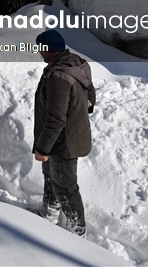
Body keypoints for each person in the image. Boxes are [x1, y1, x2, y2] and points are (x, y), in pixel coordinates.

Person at [32, 29, 95, 237]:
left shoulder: (59, 75)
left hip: (62, 141)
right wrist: (82, 106)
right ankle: (48, 214)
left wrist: (42, 148)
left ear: (48, 50)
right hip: (60, 137)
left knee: (66, 186)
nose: (39, 52)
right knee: (51, 178)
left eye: (40, 49)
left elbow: (56, 119)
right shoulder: (74, 63)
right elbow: (90, 93)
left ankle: (77, 232)